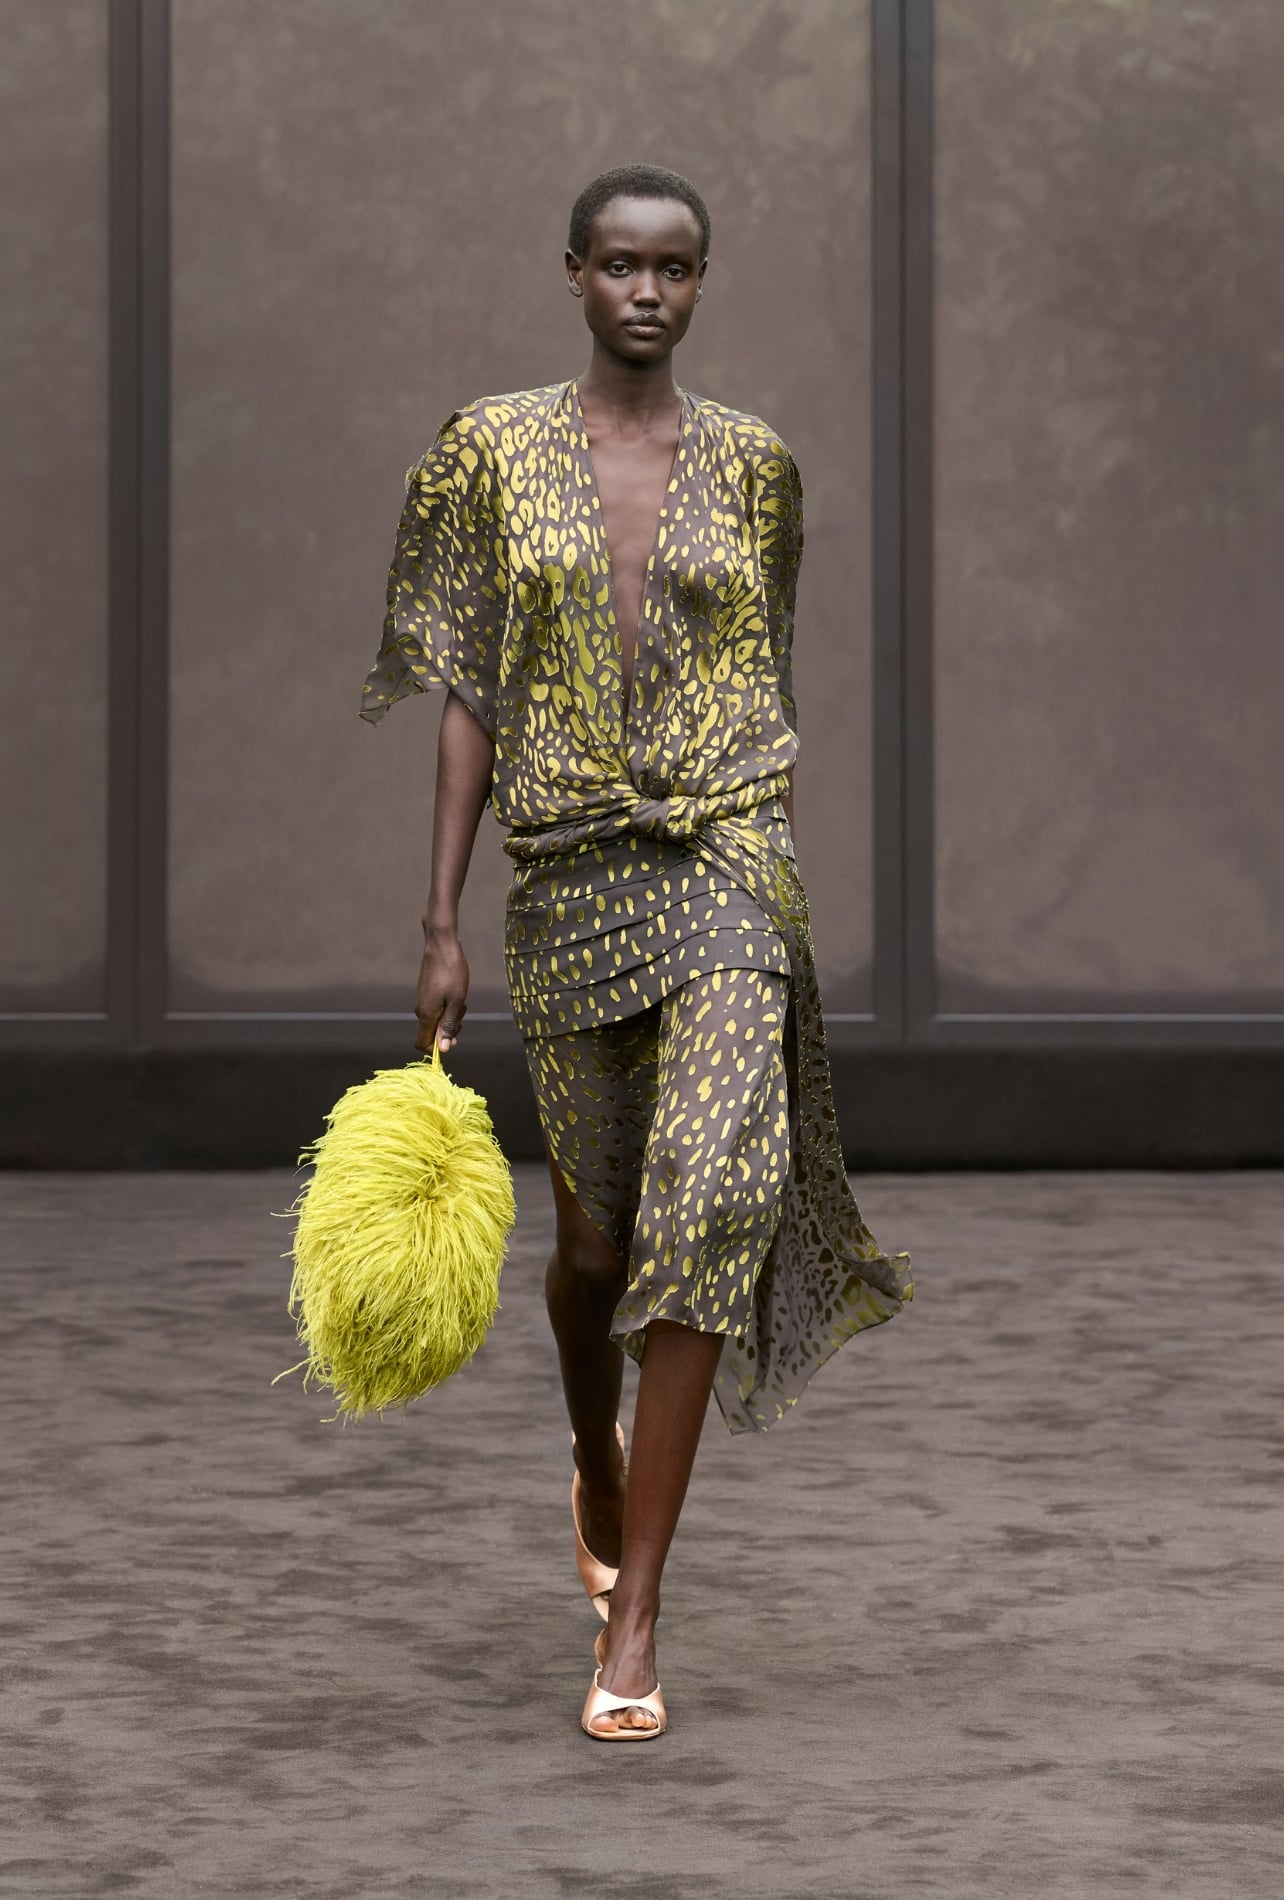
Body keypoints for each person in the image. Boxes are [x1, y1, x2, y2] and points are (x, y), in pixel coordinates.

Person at [361, 163, 914, 1741]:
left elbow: (764, 675)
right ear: (575, 274)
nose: (648, 291)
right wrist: (440, 917)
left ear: (702, 281)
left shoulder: (757, 469)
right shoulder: (491, 451)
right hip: (568, 874)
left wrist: (777, 882)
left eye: (675, 268)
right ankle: (594, 1463)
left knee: (707, 1205)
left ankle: (641, 1616)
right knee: (595, 1253)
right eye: (620, 265)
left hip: (728, 859)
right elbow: (466, 686)